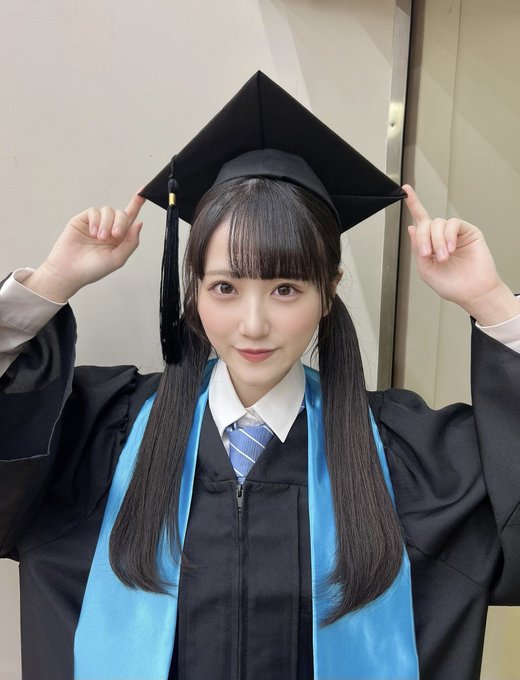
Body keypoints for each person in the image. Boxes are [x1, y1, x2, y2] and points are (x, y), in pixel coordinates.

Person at [1, 72, 519, 680]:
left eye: (285, 288)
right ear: (194, 289)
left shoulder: (412, 461)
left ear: (329, 291)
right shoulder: (101, 438)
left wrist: (491, 302)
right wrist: (50, 283)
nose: (253, 324)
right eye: (225, 287)